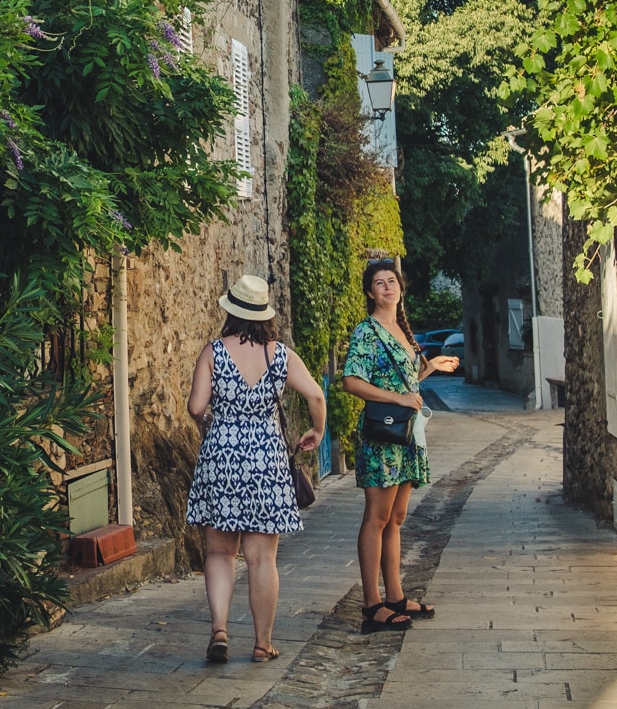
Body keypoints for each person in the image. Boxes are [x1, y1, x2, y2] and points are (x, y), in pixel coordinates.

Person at [185, 274, 326, 664]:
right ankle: (263, 644)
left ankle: (219, 630)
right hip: (267, 459)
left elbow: (196, 407)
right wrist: (317, 430)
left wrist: (216, 422)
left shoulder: (213, 352)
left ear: (231, 310)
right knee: (262, 558)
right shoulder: (280, 355)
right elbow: (316, 394)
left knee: (219, 552)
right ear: (265, 314)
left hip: (222, 456)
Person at [342, 258, 460, 633]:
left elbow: (407, 382)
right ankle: (371, 604)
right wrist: (397, 399)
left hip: (406, 435)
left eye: (392, 281)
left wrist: (431, 367)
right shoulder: (367, 331)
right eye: (379, 283)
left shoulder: (402, 330)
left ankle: (395, 595)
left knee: (396, 518)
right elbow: (351, 381)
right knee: (376, 518)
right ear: (370, 292)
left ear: (400, 288)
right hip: (382, 434)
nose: (388, 287)